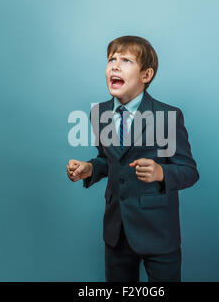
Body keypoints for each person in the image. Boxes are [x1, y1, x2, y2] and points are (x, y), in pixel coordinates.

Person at [66, 35, 199, 282]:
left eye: (126, 60)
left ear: (146, 75)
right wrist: (89, 169)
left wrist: (161, 173)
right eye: (111, 59)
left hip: (158, 231)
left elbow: (189, 171)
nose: (115, 66)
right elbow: (108, 160)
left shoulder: (166, 115)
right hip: (117, 231)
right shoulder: (100, 113)